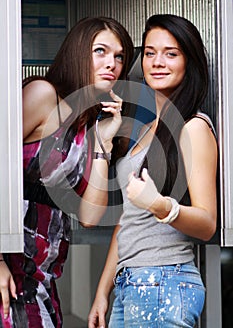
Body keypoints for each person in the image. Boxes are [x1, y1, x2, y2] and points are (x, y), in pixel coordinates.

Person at [0, 16, 134, 327]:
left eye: (119, 57)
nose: (111, 63)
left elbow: (89, 215)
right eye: (100, 51)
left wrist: (104, 141)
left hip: (40, 279)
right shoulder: (44, 95)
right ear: (77, 53)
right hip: (8, 273)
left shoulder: (89, 125)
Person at [88, 14, 218, 328]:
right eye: (150, 53)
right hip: (131, 282)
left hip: (164, 281)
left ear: (190, 62)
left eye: (171, 53)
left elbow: (207, 223)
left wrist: (160, 205)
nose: (157, 62)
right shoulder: (147, 130)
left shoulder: (193, 128)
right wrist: (103, 291)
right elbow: (128, 220)